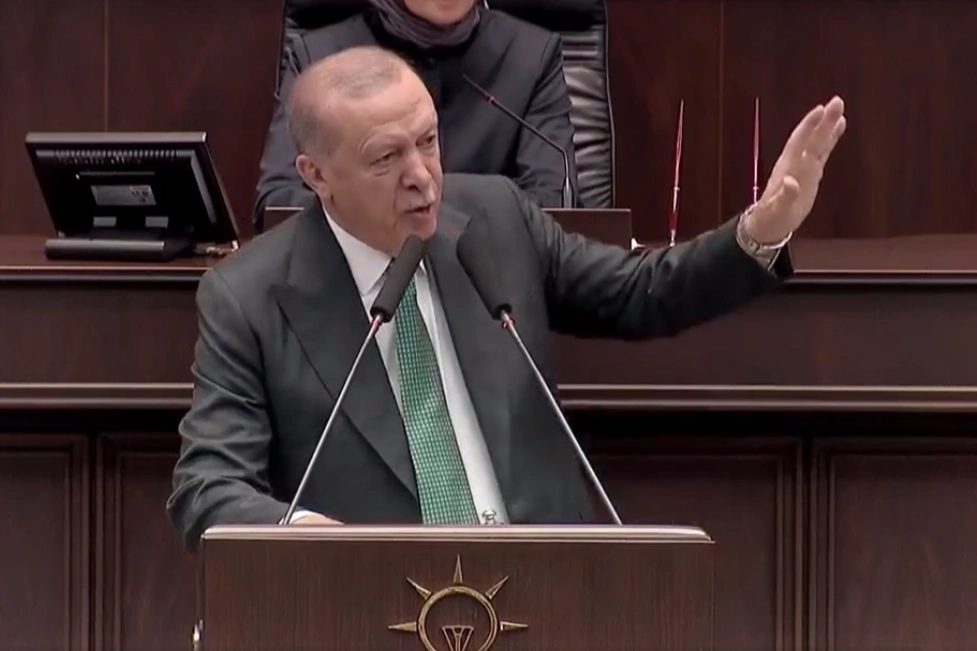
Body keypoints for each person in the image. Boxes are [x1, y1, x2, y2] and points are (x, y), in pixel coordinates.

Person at [167, 46, 846, 549]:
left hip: (544, 584)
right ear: (316, 175)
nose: (421, 176)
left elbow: (642, 292)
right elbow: (207, 487)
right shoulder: (248, 296)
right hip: (378, 605)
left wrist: (760, 231)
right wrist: (309, 538)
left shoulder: (493, 218)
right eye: (385, 158)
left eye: (428, 142)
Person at [254, 0, 580, 225]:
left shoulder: (531, 55)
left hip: (488, 279)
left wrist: (405, 212)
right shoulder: (321, 58)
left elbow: (552, 204)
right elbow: (280, 202)